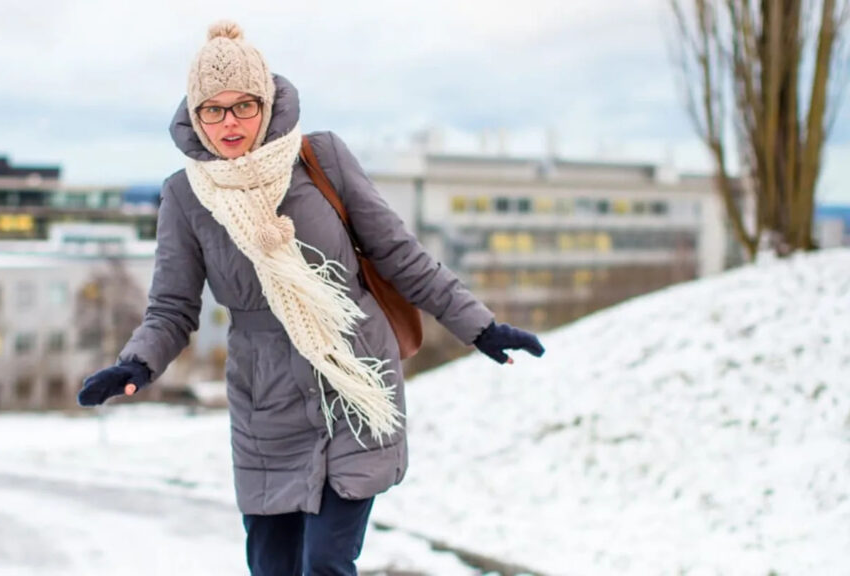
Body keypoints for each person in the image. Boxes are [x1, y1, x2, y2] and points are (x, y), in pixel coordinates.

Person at [77, 20, 545, 576]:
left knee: (325, 562)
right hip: (266, 403)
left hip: (354, 380)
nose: (230, 123)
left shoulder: (321, 159)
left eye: (244, 106)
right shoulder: (185, 196)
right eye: (213, 109)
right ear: (194, 114)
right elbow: (173, 309)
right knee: (273, 567)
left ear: (267, 100)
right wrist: (136, 363)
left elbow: (400, 254)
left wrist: (481, 328)